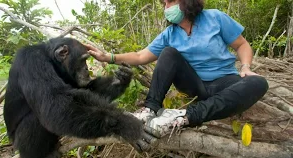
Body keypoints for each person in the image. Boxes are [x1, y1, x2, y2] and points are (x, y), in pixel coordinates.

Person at [85, 0, 269, 136]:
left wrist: (245, 66)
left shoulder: (215, 18)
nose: (167, 8)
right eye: (165, 4)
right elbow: (141, 56)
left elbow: (242, 45)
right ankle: (150, 110)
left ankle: (184, 116)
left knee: (258, 83)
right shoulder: (169, 34)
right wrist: (108, 57)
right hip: (194, 84)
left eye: (171, 1)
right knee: (168, 53)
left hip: (225, 81)